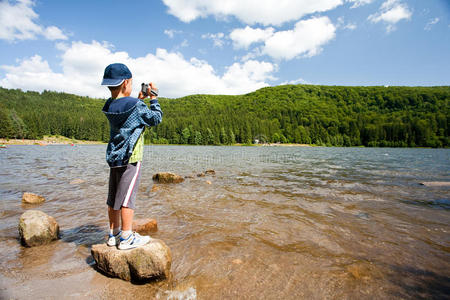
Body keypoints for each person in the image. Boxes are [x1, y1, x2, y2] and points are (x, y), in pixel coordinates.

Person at [101, 63, 162, 250]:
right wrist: (153, 98)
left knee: (113, 198)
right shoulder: (136, 106)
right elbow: (155, 118)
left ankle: (114, 234)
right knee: (127, 198)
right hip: (131, 158)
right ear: (126, 82)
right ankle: (126, 238)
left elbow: (128, 114)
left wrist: (138, 99)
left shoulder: (109, 105)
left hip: (115, 158)